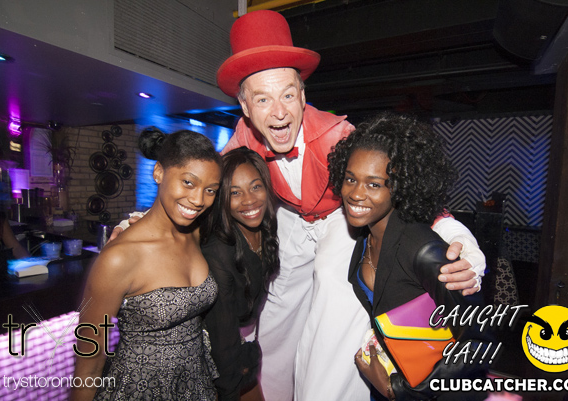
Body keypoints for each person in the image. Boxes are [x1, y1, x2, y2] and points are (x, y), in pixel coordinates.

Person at [215, 10, 486, 401]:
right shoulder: (244, 136)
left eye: (288, 95)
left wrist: (464, 246)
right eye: (262, 99)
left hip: (340, 219)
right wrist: (149, 219)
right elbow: (208, 183)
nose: (279, 112)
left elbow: (402, 188)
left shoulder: (338, 135)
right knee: (273, 313)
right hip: (292, 219)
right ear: (245, 106)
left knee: (333, 300)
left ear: (303, 96)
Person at [328, 112, 491, 400]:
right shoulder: (363, 238)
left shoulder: (423, 249)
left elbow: (478, 345)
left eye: (374, 184)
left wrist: (400, 391)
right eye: (350, 179)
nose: (355, 194)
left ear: (400, 186)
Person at [71, 129, 222, 401]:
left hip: (196, 385)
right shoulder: (118, 258)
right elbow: (89, 362)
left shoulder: (195, 232)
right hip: (139, 390)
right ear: (158, 172)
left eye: (210, 190)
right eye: (188, 182)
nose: (199, 200)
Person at [200, 147, 279, 401]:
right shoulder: (218, 253)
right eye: (235, 192)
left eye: (255, 187)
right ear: (222, 199)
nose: (249, 200)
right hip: (214, 367)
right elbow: (221, 342)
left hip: (243, 353)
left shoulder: (265, 230)